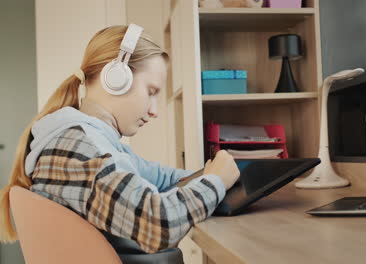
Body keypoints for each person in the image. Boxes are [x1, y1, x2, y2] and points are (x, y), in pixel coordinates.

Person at [0, 24, 240, 254]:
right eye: (151, 92)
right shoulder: (81, 148)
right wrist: (216, 181)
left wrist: (206, 176)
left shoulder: (93, 139)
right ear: (116, 78)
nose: (155, 110)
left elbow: (157, 177)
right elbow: (158, 225)